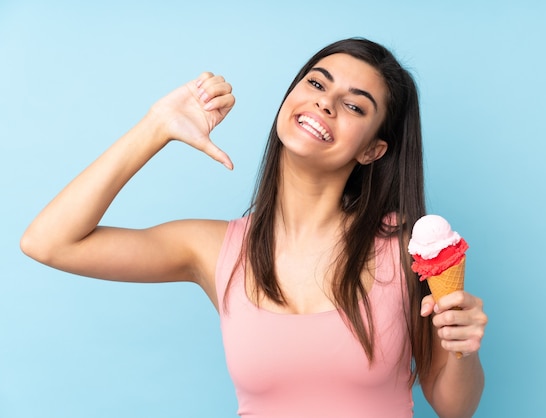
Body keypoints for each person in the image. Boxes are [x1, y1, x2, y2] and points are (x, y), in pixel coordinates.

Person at [21, 38, 487, 417]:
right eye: (316, 83)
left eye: (354, 106)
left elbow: (453, 407)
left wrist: (463, 348)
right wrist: (156, 126)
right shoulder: (212, 249)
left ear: (373, 151)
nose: (324, 103)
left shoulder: (410, 248)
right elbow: (47, 242)